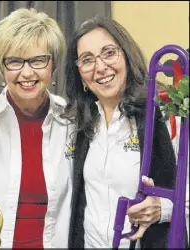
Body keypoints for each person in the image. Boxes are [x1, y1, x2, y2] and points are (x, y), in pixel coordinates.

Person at [63, 16, 189, 248]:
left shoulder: (165, 114)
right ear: (79, 73)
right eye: (87, 60)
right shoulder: (79, 123)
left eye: (109, 53)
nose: (100, 67)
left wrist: (164, 208)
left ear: (127, 56)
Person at [0, 8, 74, 248]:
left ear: (52, 64)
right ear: (1, 68)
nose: (26, 72)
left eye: (38, 60)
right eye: (14, 61)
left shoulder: (73, 121)